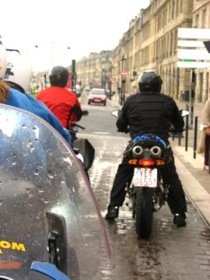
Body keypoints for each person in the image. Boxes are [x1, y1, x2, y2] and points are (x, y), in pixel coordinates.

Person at [105, 71, 187, 227]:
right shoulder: (168, 101)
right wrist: (175, 127)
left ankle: (113, 207)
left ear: (141, 86)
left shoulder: (131, 101)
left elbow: (120, 125)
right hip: (160, 146)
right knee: (170, 176)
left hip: (137, 145)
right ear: (159, 86)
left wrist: (125, 126)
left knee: (123, 172)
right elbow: (179, 125)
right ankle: (179, 214)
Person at [36, 66, 83, 130]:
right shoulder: (72, 97)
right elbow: (78, 116)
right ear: (65, 79)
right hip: (63, 134)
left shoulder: (41, 95)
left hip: (44, 131)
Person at [197, 97, 210, 169]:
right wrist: (208, 126)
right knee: (207, 146)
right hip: (209, 128)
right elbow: (205, 115)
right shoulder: (209, 102)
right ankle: (206, 163)